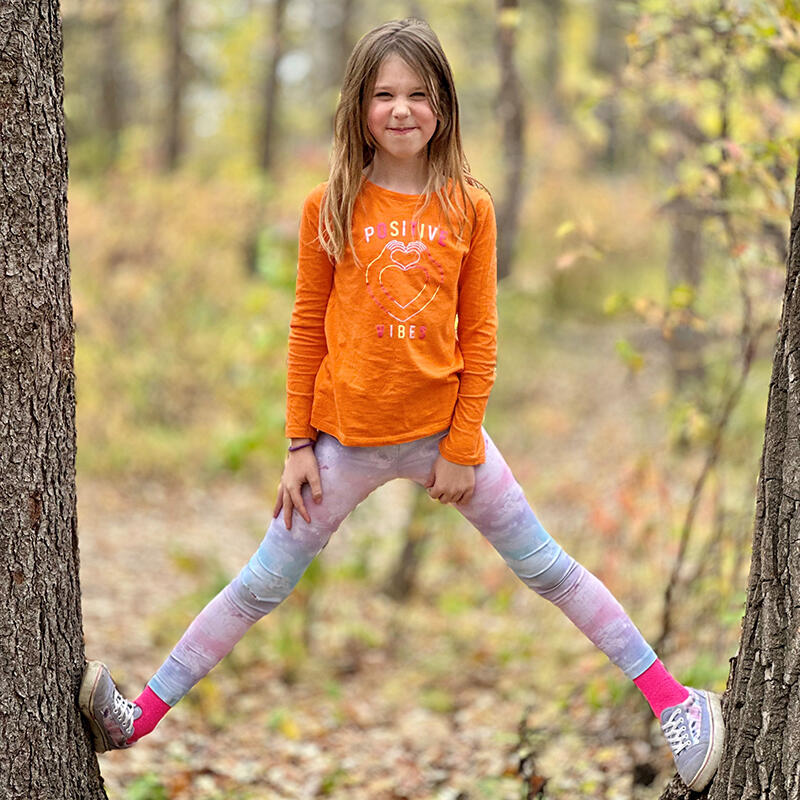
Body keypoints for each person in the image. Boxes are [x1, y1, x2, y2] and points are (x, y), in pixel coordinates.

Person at [80, 17, 724, 791]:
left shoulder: (468, 208)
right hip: (340, 448)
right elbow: (305, 327)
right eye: (384, 94)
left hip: (443, 439)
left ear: (443, 108)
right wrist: (295, 446)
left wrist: (460, 445)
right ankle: (137, 719)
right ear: (359, 108)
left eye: (419, 94)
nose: (401, 109)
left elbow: (481, 336)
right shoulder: (331, 203)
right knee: (259, 584)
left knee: (548, 568)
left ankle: (676, 703)